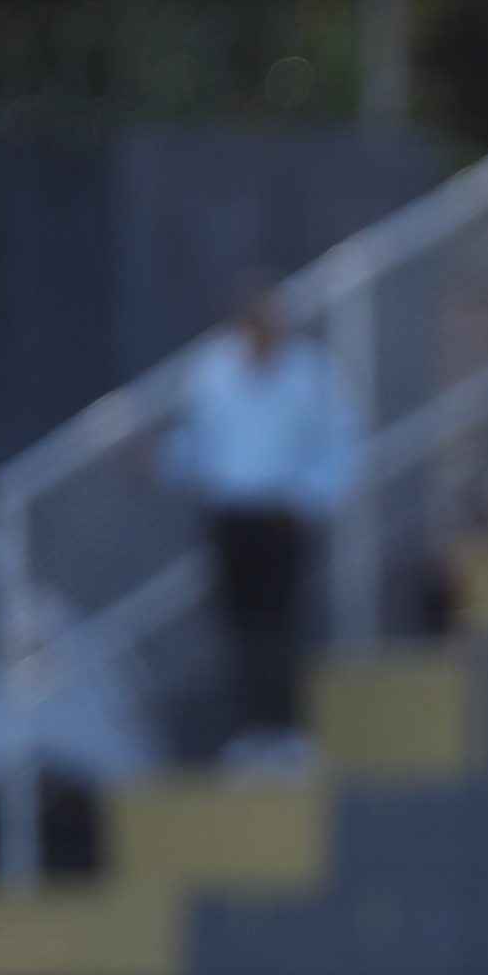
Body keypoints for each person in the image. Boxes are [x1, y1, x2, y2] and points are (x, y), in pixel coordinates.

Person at [163, 272, 355, 769]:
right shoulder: (212, 370)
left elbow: (341, 442)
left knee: (284, 623)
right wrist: (154, 462)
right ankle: (250, 732)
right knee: (238, 627)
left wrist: (308, 499)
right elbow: (197, 445)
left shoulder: (310, 371)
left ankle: (289, 731)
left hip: (282, 516)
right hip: (229, 516)